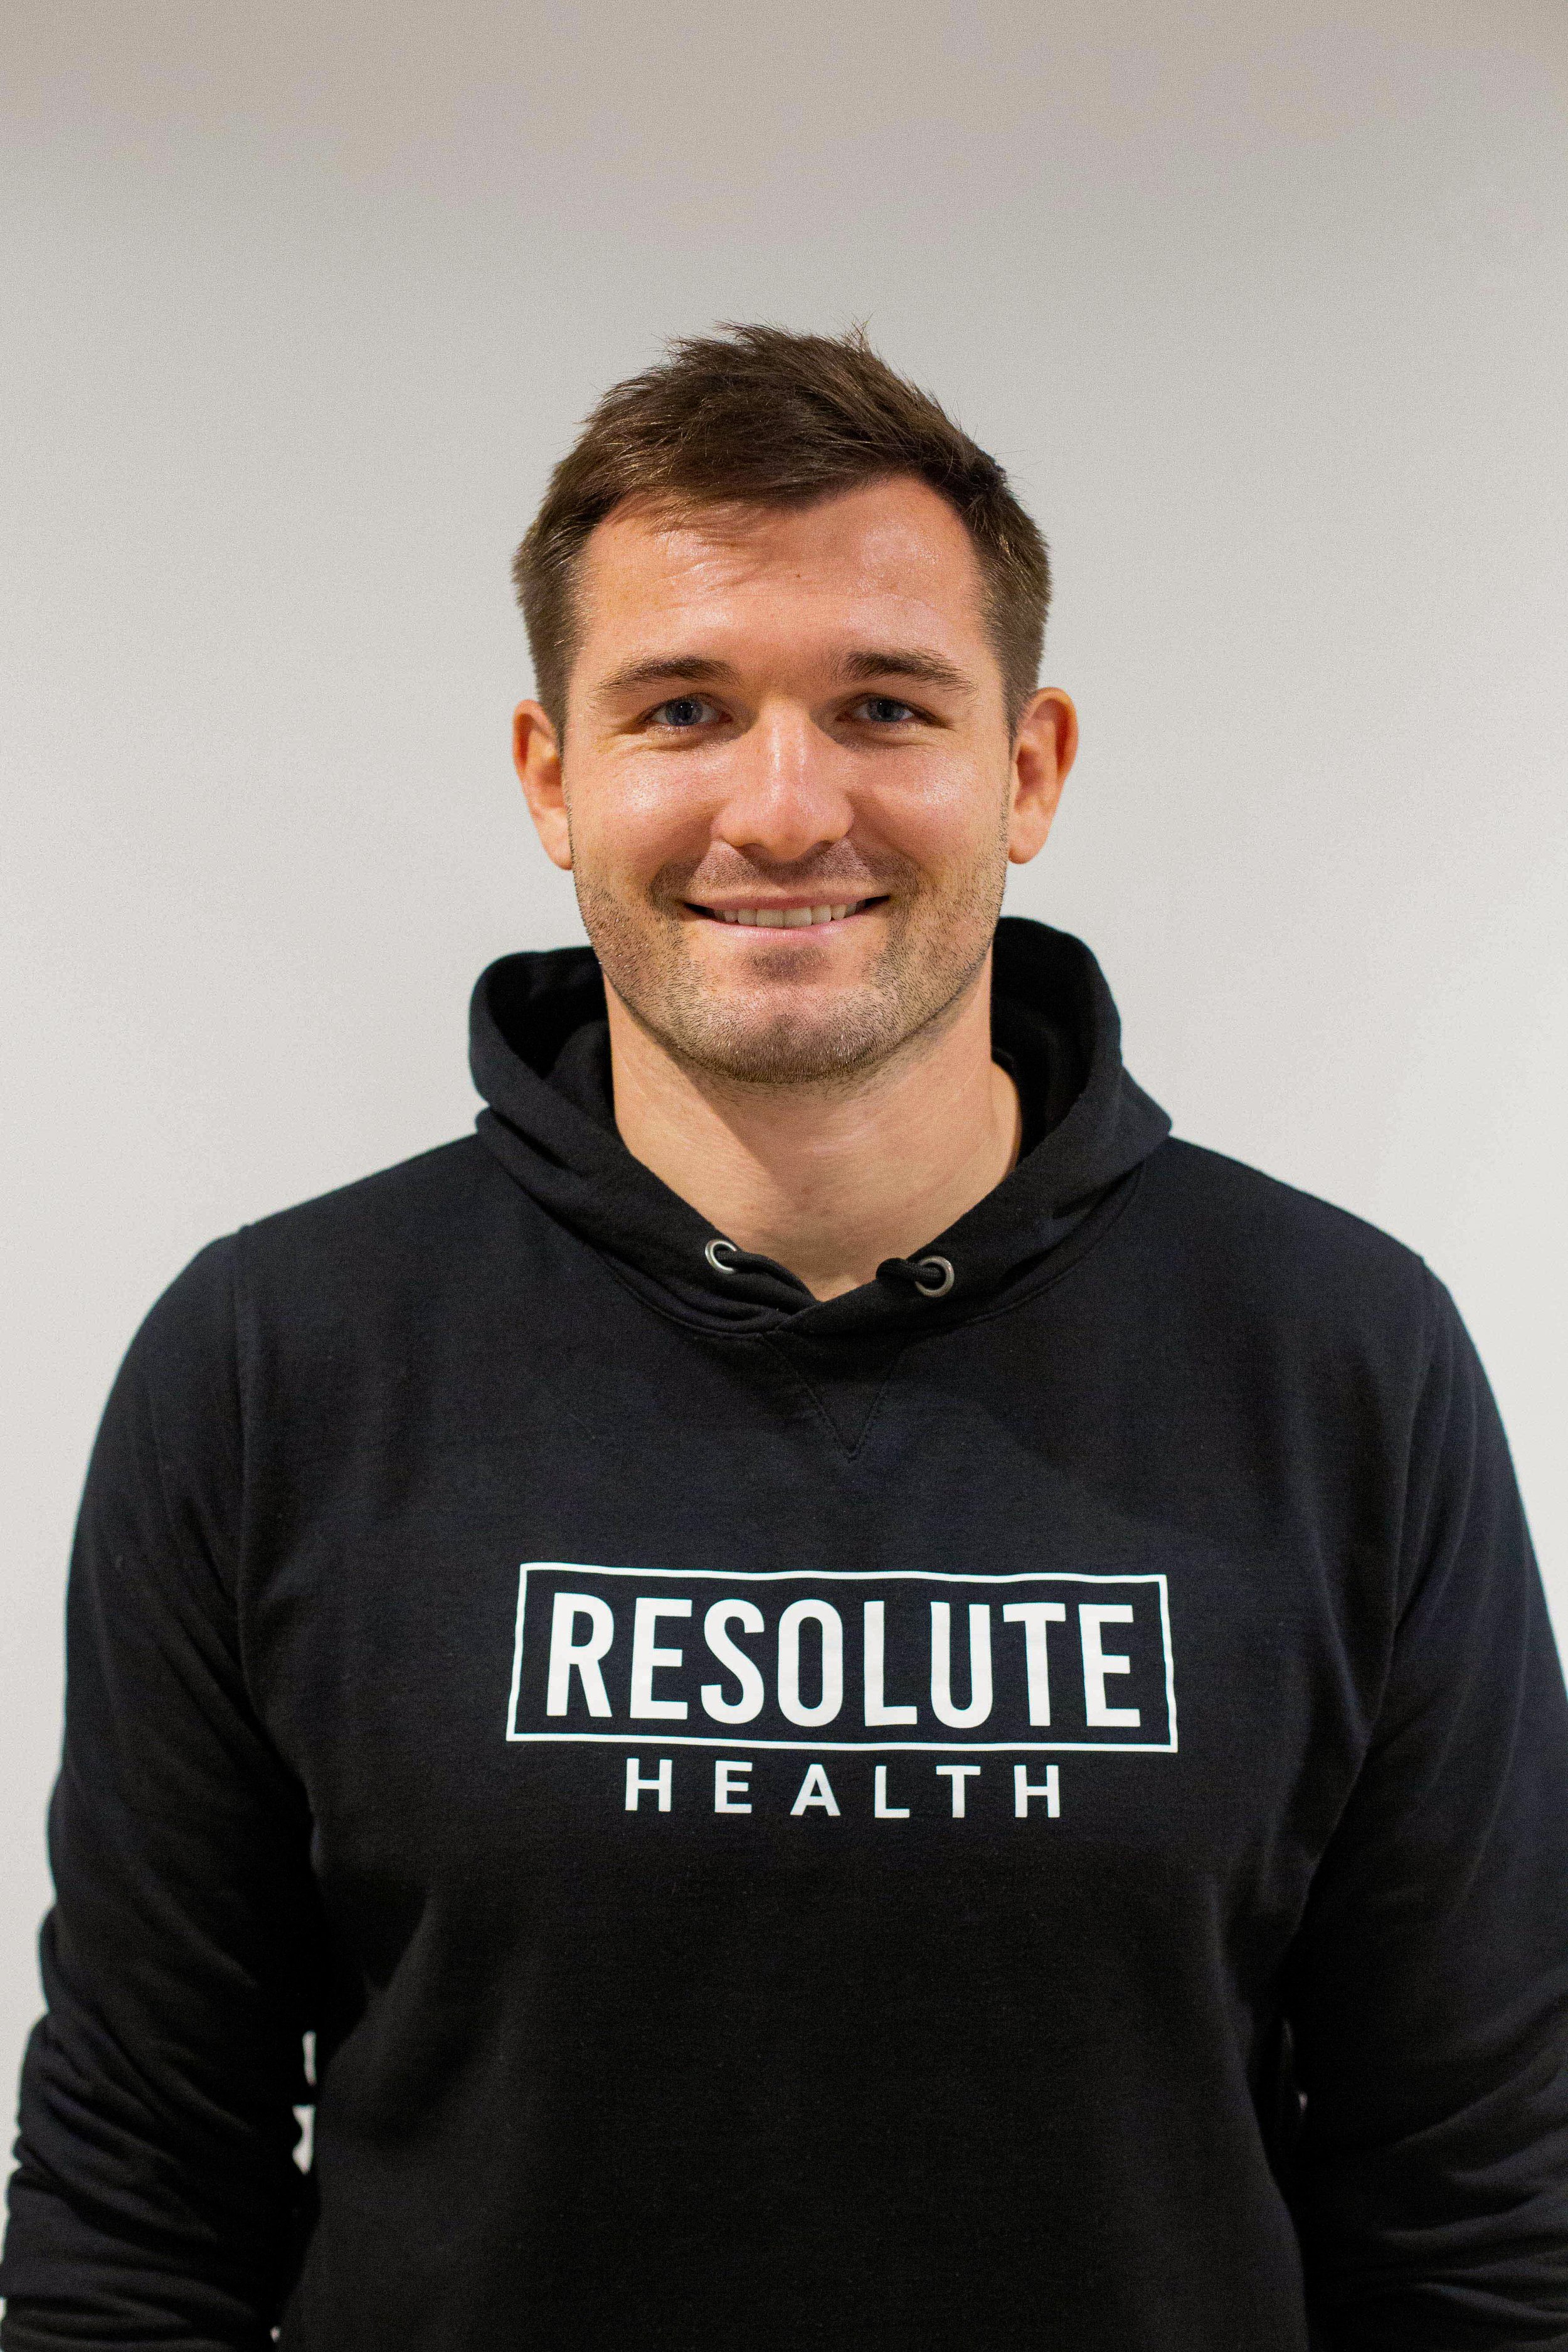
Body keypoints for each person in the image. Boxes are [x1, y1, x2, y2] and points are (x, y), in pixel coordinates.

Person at [3, 324, 1565, 2352]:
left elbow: (1475, 2210)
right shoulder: (274, 1358)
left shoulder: (1338, 1356)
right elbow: (140, 2190)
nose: (781, 804)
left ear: (1028, 769)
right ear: (553, 780)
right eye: (682, 707)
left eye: (883, 705)